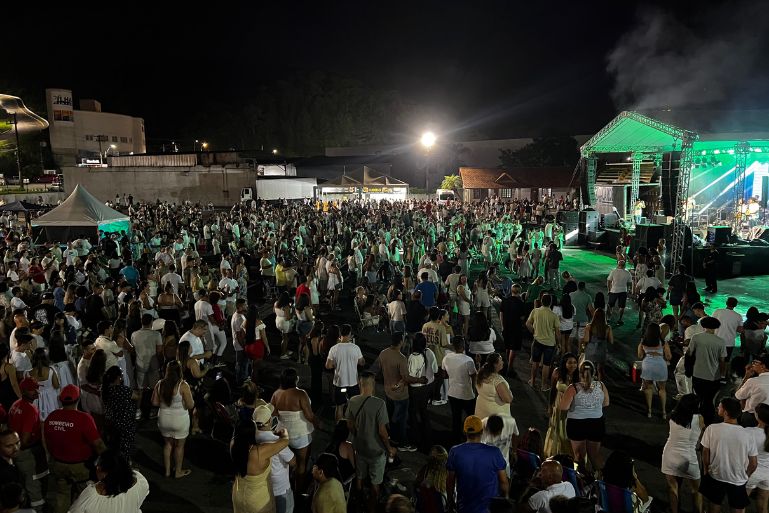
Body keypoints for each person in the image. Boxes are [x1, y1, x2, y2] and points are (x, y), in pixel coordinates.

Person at [44, 384, 107, 513]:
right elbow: (98, 444)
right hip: (80, 467)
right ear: (78, 399)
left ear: (60, 400)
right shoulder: (84, 418)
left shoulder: (51, 417)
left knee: (62, 495)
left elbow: (47, 440)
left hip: (58, 464)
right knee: (83, 497)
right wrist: (108, 459)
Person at [345, 372, 396, 509]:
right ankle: (371, 507)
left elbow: (349, 424)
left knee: (360, 476)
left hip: (359, 448)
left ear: (359, 383)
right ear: (372, 384)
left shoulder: (353, 400)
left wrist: (357, 435)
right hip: (376, 451)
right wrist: (389, 448)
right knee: (375, 483)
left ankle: (358, 501)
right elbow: (382, 432)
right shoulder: (380, 404)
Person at [700, 397, 758, 513]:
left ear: (725, 412)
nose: (717, 407)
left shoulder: (712, 429)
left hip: (716, 474)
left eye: (720, 406)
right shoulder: (748, 435)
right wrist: (746, 475)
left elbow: (705, 453)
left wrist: (706, 470)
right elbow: (753, 463)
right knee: (737, 507)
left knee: (714, 503)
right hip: (738, 478)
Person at [230, 409, 290, 513]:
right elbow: (285, 441)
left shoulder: (233, 444)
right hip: (257, 501)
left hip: (238, 493)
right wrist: (283, 433)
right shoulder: (259, 452)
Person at [446, 415, 508, 513]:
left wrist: (450, 503)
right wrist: (504, 501)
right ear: (482, 431)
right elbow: (504, 482)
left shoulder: (455, 452)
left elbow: (450, 482)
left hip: (464, 508)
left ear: (465, 432)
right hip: (489, 509)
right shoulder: (494, 452)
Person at [270, 368, 318, 493]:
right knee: (302, 463)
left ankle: (287, 485)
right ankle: (298, 489)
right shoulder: (301, 393)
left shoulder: (276, 394)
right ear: (295, 379)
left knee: (287, 461)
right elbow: (309, 415)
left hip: (283, 434)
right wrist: (317, 423)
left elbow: (274, 413)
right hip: (300, 434)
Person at [559, 360, 609, 474]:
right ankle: (602, 479)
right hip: (596, 424)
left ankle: (580, 479)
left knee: (578, 456)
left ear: (580, 373)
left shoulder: (573, 388)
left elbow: (563, 407)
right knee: (595, 455)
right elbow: (606, 403)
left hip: (577, 424)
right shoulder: (601, 385)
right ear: (594, 372)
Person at [67, 449, 149, 513]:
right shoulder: (140, 481)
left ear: (106, 474)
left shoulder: (91, 495)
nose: (96, 468)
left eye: (99, 465)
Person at [8, 376, 46, 512]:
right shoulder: (31, 409)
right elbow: (24, 439)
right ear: (23, 391)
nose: (36, 392)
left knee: (23, 482)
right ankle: (38, 510)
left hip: (15, 452)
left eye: (36, 388)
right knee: (33, 484)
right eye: (32, 390)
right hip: (26, 452)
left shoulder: (15, 404)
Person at [662, 394, 704, 513]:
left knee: (673, 487)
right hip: (689, 457)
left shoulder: (672, 416)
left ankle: (674, 510)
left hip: (670, 455)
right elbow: (701, 438)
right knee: (696, 490)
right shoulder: (699, 418)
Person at [151, 360, 194, 478]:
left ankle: (167, 471)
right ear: (179, 371)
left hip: (164, 419)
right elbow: (190, 405)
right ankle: (178, 471)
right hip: (180, 420)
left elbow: (154, 402)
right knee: (179, 446)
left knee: (168, 444)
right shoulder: (183, 385)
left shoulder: (160, 384)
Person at [253, 404, 296, 513]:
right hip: (280, 489)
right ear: (269, 421)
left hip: (262, 489)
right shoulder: (277, 442)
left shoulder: (252, 438)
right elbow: (293, 461)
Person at [688, 316, 727, 425]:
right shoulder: (721, 341)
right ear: (716, 327)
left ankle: (696, 421)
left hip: (697, 373)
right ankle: (708, 422)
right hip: (714, 376)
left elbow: (690, 354)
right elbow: (722, 361)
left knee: (698, 398)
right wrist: (723, 375)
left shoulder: (696, 338)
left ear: (703, 325)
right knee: (709, 400)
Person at [326, 324, 365, 421]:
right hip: (353, 383)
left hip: (340, 384)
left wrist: (337, 364)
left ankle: (339, 428)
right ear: (350, 334)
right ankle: (353, 427)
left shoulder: (334, 349)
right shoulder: (355, 348)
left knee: (339, 406)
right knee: (354, 406)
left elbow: (328, 366)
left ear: (340, 334)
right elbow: (362, 362)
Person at [442, 336, 477, 442]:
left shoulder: (446, 358)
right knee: (471, 417)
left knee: (456, 418)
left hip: (452, 393)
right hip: (467, 394)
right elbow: (474, 375)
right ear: (463, 346)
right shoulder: (468, 360)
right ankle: (471, 437)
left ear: (453, 346)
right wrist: (474, 390)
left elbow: (444, 375)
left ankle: (456, 438)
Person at [544, 353, 578, 459]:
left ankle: (569, 457)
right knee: (557, 433)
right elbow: (553, 390)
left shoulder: (579, 376)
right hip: (558, 408)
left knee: (568, 435)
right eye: (569, 363)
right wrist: (550, 406)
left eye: (575, 363)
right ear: (564, 363)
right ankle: (555, 456)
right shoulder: (557, 373)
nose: (572, 365)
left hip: (572, 411)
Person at [526, 294, 560, 391]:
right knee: (546, 365)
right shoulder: (554, 315)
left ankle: (532, 381)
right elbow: (557, 332)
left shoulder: (535, 311)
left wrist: (533, 331)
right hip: (549, 343)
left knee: (535, 362)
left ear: (541, 301)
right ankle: (543, 385)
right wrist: (559, 343)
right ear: (550, 303)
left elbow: (528, 323)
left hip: (537, 341)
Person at [637, 323, 672, 419]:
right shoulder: (663, 342)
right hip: (660, 364)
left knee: (648, 387)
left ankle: (649, 411)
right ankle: (664, 412)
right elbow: (669, 356)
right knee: (662, 389)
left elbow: (640, 356)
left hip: (647, 364)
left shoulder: (643, 341)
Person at [474, 353, 513, 420]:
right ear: (495, 364)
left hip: (481, 410)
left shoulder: (481, 374)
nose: (503, 362)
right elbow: (508, 399)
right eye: (501, 360)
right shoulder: (497, 380)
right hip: (495, 416)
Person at [746, 403, 769, 513]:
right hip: (767, 474)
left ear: (758, 416)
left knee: (740, 505)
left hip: (751, 473)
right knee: (763, 505)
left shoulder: (749, 432)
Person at [736, 353, 769, 427]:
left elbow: (738, 395)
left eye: (755, 362)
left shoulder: (753, 381)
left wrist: (746, 376)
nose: (752, 364)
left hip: (752, 419)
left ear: (763, 366)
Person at [500, 283, 526, 377]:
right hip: (516, 327)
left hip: (506, 326)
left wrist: (502, 325)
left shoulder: (505, 300)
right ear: (519, 292)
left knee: (507, 346)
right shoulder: (521, 303)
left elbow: (501, 313)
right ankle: (510, 367)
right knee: (513, 348)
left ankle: (507, 363)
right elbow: (522, 317)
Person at [580, 308, 613, 383]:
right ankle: (599, 386)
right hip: (602, 349)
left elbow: (586, 340)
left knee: (588, 367)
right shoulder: (608, 328)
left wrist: (583, 346)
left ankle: (588, 383)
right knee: (600, 369)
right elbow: (611, 341)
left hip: (591, 349)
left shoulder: (589, 326)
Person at [606, 260, 632, 326]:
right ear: (624, 265)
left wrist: (609, 290)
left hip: (614, 290)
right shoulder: (627, 273)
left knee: (610, 306)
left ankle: (608, 319)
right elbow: (629, 283)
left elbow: (609, 281)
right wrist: (628, 290)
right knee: (622, 306)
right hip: (623, 291)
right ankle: (620, 319)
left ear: (618, 265)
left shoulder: (613, 271)